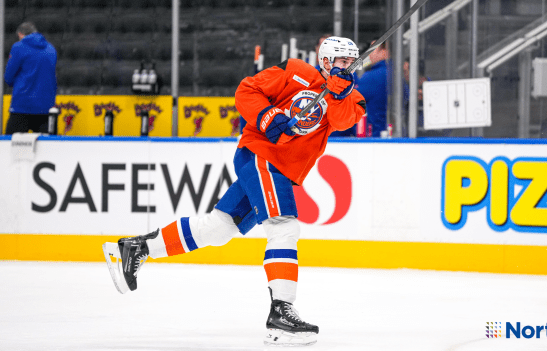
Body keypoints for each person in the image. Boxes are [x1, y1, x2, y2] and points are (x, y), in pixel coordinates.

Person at [103, 36, 365, 347]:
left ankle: (136, 248)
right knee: (284, 225)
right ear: (324, 59)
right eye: (341, 60)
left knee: (219, 228)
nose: (346, 66)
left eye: (350, 61)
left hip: (282, 169)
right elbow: (247, 89)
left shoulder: (353, 98)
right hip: (264, 155)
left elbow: (344, 119)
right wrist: (270, 117)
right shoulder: (294, 70)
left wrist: (338, 91)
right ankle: (281, 312)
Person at [4, 22, 57, 135]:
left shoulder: (18, 47)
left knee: (11, 145)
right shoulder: (51, 48)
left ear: (20, 34)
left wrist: (16, 84)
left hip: (22, 105)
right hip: (45, 106)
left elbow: (9, 76)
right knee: (46, 148)